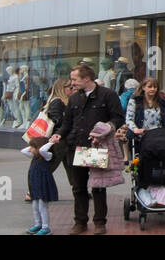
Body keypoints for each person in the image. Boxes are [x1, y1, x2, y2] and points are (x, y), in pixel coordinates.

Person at [51, 63, 125, 235]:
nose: (72, 83)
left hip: (96, 146)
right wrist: (59, 135)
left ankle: (100, 223)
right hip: (76, 146)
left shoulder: (108, 95)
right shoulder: (75, 98)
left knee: (98, 187)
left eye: (75, 79)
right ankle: (80, 222)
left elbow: (118, 118)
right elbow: (67, 122)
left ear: (87, 79)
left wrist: (105, 129)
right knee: (78, 187)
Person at [123, 77, 165, 156]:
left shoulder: (163, 102)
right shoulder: (135, 100)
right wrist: (135, 129)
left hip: (160, 138)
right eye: (150, 87)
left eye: (155, 87)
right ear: (143, 87)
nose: (153, 89)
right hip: (141, 137)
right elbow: (129, 119)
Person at [21, 136, 59, 235]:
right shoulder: (35, 156)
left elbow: (42, 150)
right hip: (36, 182)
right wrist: (32, 146)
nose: (30, 149)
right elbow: (23, 151)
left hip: (43, 182)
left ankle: (46, 227)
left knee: (42, 206)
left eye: (33, 147)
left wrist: (51, 143)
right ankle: (38, 224)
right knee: (35, 205)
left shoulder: (47, 155)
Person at [43, 79, 74, 189]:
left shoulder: (64, 101)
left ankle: (78, 188)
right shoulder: (57, 101)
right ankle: (33, 190)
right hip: (58, 140)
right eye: (70, 88)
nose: (73, 89)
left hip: (64, 139)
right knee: (51, 165)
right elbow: (58, 120)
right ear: (62, 89)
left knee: (71, 166)